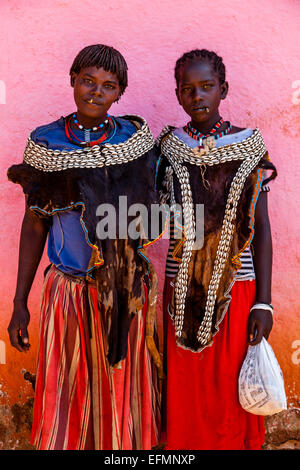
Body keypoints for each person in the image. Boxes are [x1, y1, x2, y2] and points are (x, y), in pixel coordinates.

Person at [7, 44, 163, 450]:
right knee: (69, 392)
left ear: (120, 93)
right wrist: (19, 302)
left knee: (120, 390)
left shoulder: (135, 140)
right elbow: (35, 222)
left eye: (108, 86)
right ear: (72, 80)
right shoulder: (46, 142)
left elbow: (150, 212)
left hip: (125, 292)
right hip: (69, 293)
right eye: (88, 81)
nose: (96, 92)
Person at [156, 49, 277, 450]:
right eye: (188, 90)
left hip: (235, 289)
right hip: (182, 290)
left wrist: (264, 302)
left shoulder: (248, 145)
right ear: (178, 96)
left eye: (207, 87)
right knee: (188, 395)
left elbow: (260, 230)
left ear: (223, 89)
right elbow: (151, 216)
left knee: (227, 393)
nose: (198, 96)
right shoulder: (167, 150)